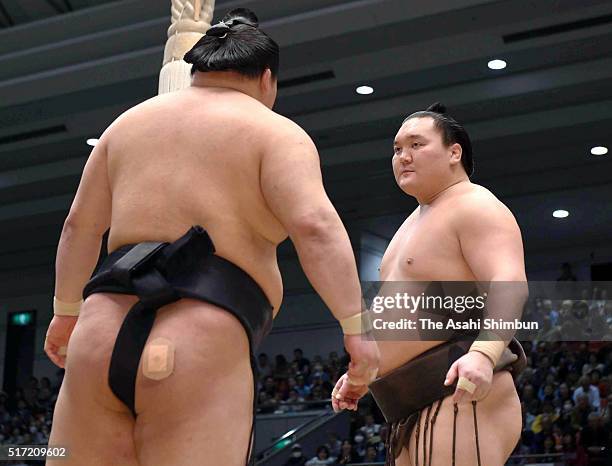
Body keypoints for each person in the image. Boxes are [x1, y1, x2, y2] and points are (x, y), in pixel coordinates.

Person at [43, 8, 377, 466]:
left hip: (96, 338)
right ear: (267, 81)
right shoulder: (275, 132)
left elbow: (78, 226)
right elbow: (315, 229)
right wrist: (356, 331)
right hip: (198, 340)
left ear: (195, 71)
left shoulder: (125, 126)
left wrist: (64, 314)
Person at [333, 103, 528, 466]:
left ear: (455, 152)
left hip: (460, 391)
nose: (403, 157)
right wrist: (362, 373)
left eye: (417, 145)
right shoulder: (411, 224)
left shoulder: (475, 205)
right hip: (406, 407)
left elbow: (510, 282)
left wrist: (484, 355)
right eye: (396, 149)